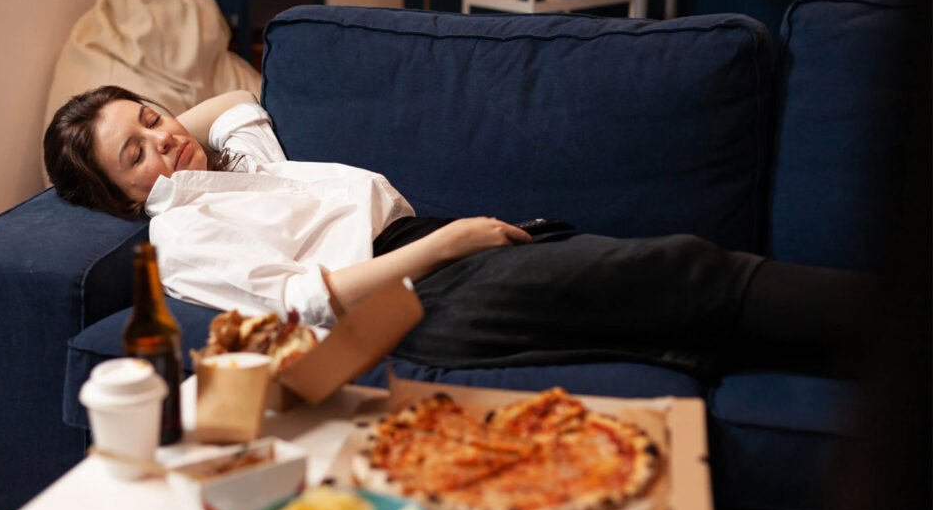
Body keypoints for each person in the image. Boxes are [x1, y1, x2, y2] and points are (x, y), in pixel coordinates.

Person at [44, 85, 880, 378]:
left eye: (151, 116)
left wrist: (166, 145)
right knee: (682, 271)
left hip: (435, 252)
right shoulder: (182, 233)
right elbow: (304, 301)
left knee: (665, 294)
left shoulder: (235, 166)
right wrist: (448, 244)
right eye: (134, 153)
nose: (162, 138)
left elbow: (232, 104)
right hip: (410, 289)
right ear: (120, 199)